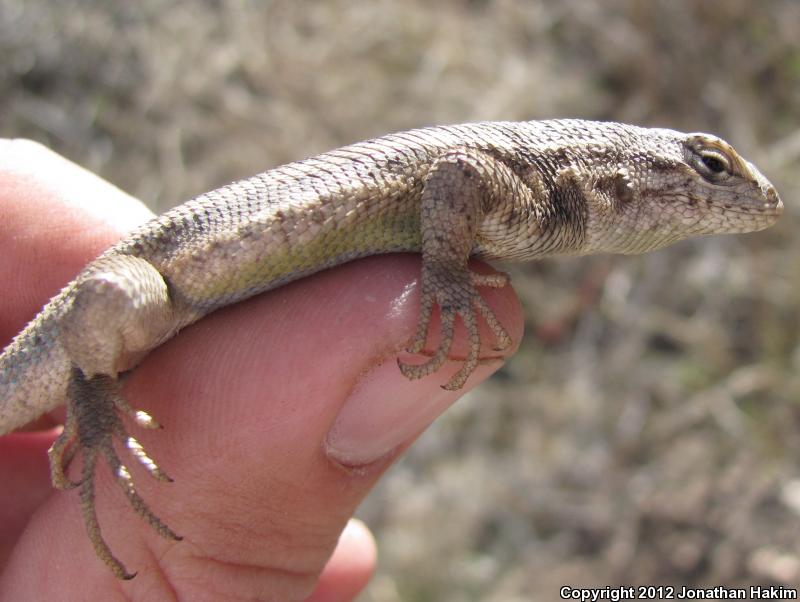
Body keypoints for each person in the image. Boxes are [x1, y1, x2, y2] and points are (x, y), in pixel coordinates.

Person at [0, 139, 521, 600]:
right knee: (109, 299)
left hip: (188, 292)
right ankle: (90, 393)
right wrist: (446, 276)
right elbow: (459, 172)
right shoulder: (536, 189)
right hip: (161, 276)